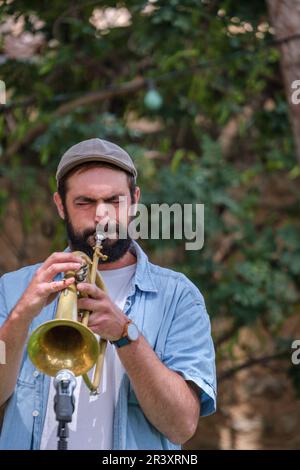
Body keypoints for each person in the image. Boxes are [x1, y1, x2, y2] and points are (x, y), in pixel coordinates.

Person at [0, 138, 216, 450]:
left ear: (135, 201)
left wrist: (126, 335)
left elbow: (181, 427)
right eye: (84, 202)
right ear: (61, 205)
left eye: (114, 201)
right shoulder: (14, 288)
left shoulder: (179, 297)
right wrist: (21, 316)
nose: (101, 216)